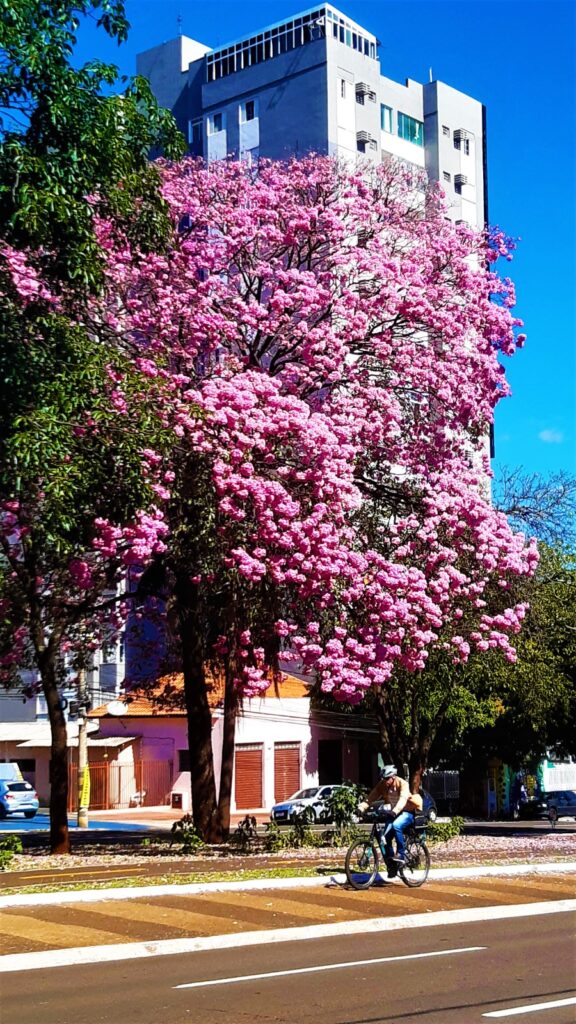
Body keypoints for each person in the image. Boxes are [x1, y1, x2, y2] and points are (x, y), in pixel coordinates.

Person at [359, 765, 423, 875]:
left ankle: (400, 854)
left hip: (406, 812)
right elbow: (371, 797)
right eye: (383, 778)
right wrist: (361, 808)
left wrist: (395, 811)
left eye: (387, 778)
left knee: (396, 825)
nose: (385, 781)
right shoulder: (382, 785)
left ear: (393, 777)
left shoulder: (403, 783)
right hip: (394, 813)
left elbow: (403, 799)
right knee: (385, 838)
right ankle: (393, 866)